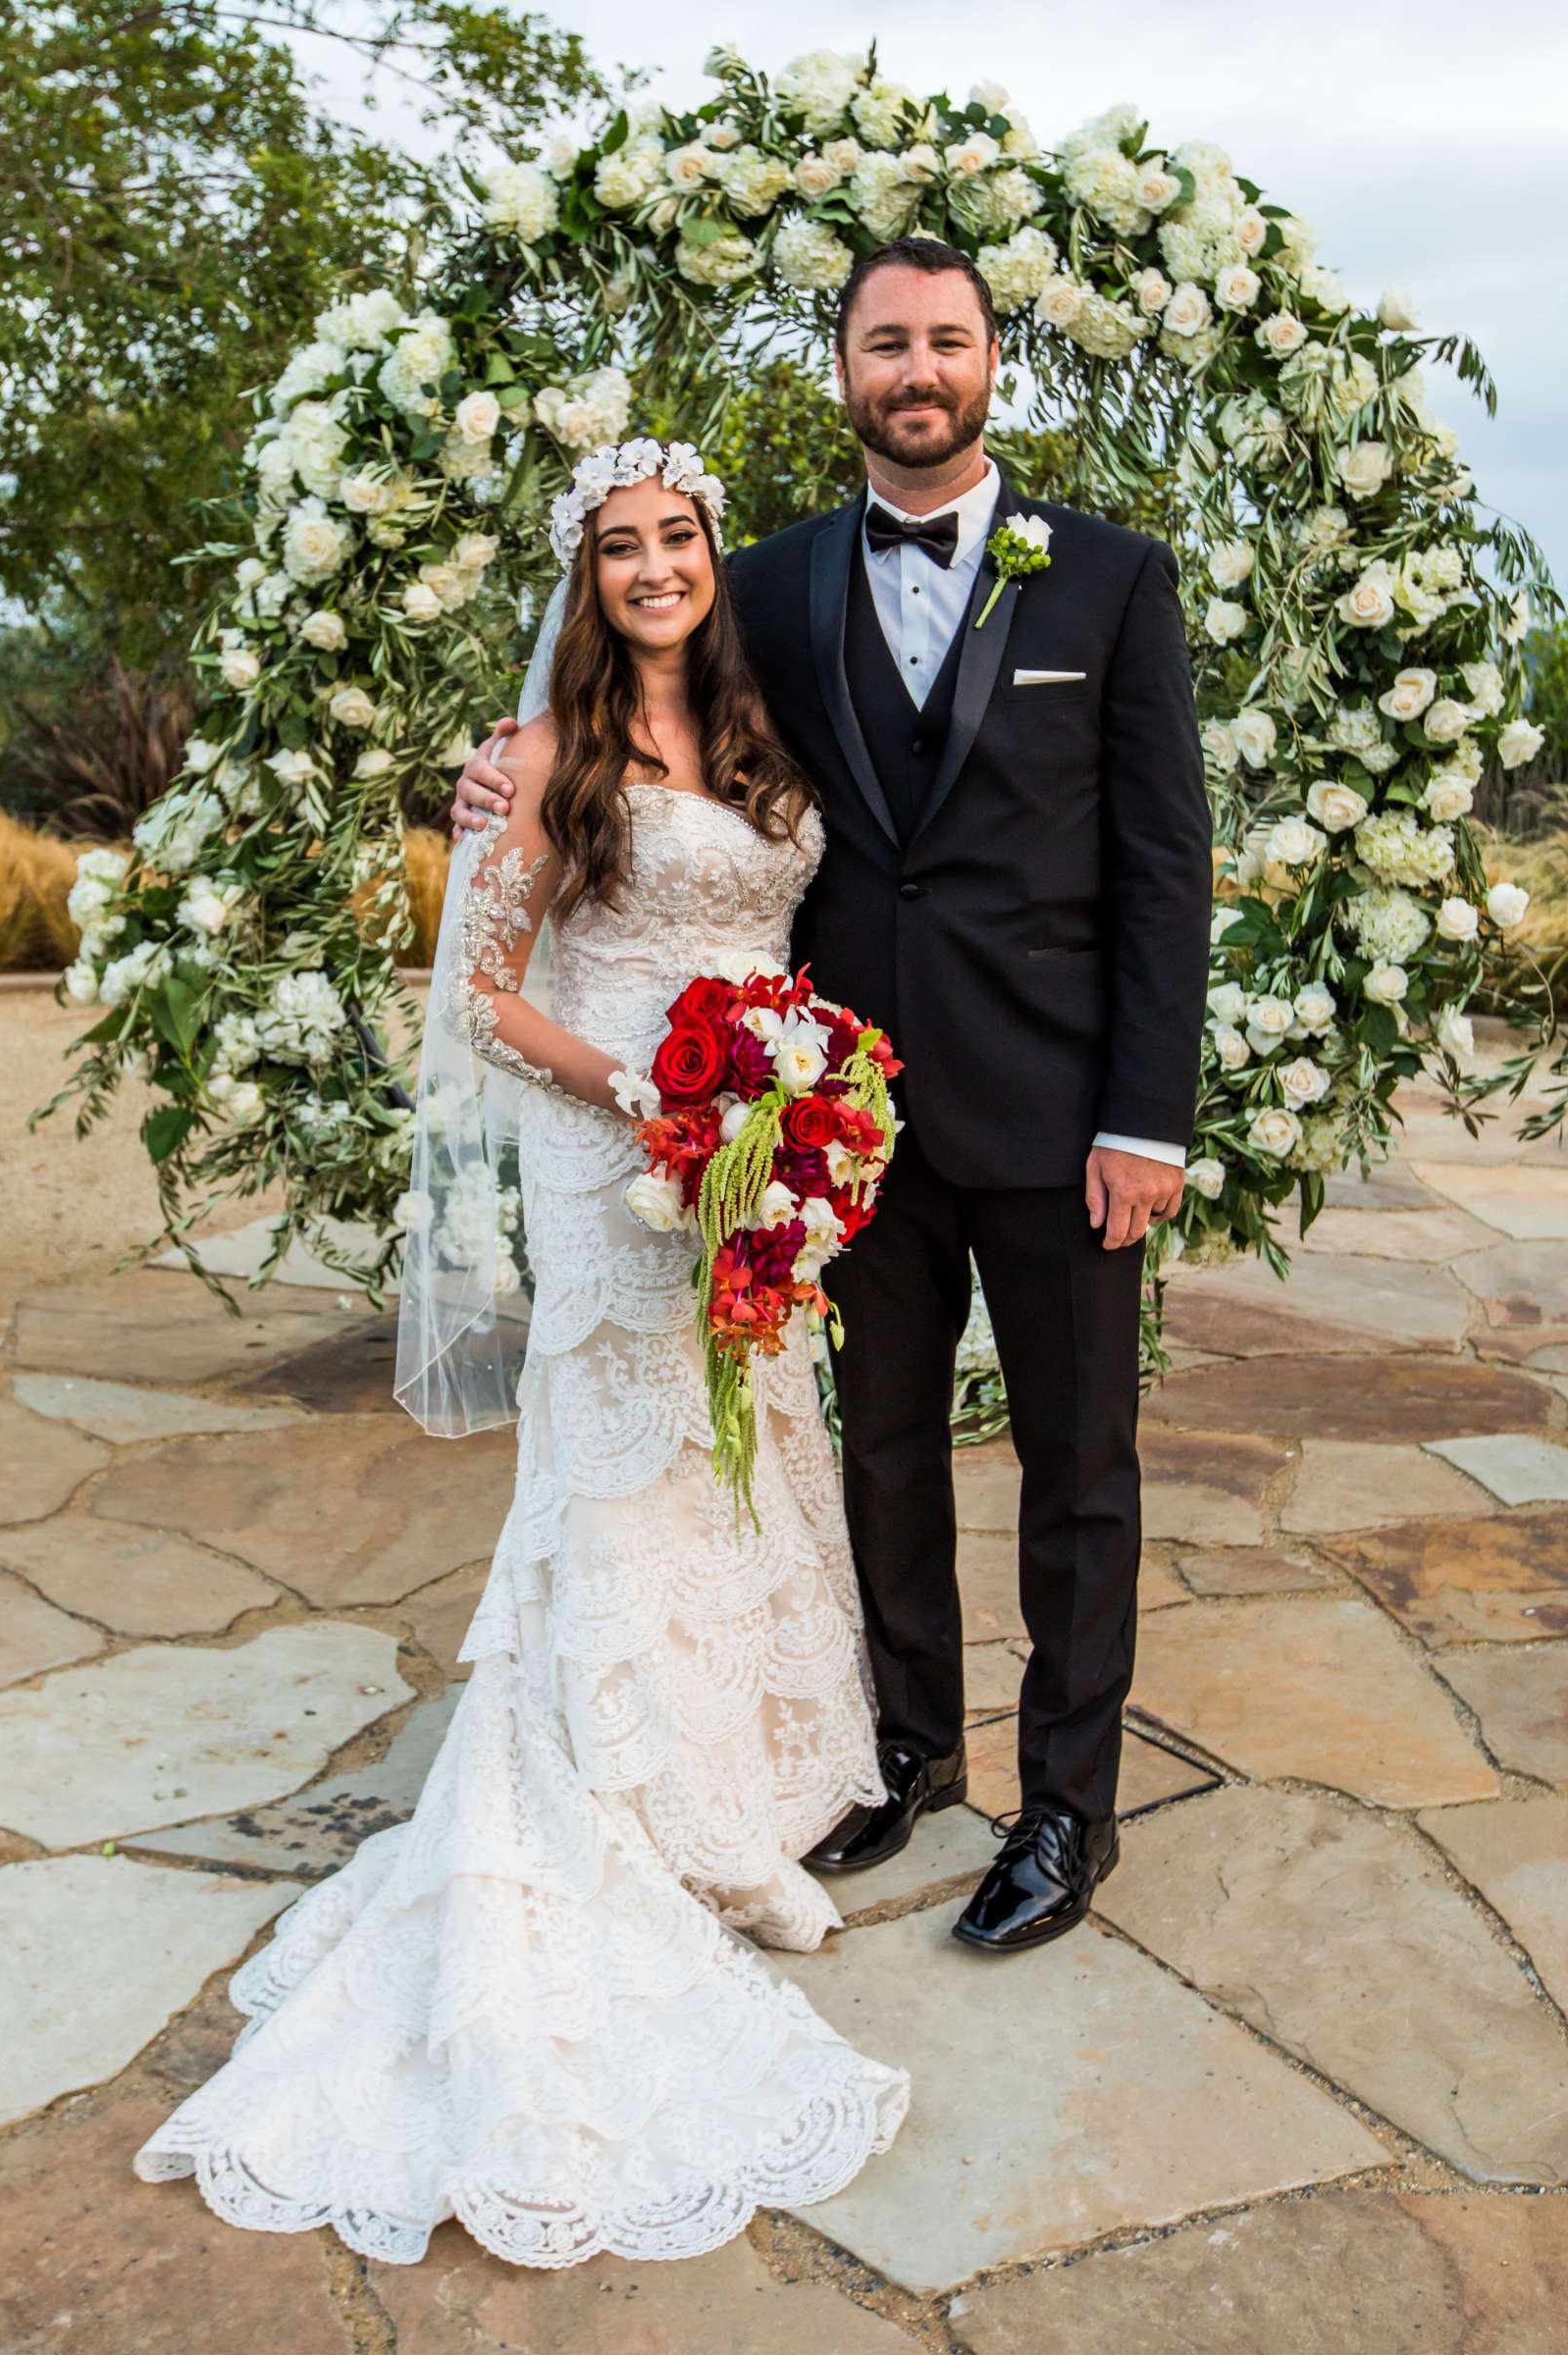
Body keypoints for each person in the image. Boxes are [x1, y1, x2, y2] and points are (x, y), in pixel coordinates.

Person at [131, 438, 910, 2268]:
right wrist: (639, 1092)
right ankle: (647, 1825)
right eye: (621, 548)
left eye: (678, 539)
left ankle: (738, 1800)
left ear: (716, 554)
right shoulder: (547, 760)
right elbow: (478, 991)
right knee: (626, 1467)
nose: (655, 568)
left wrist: (778, 1117)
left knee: (746, 1448)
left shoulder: (762, 738)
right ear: (585, 576)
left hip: (745, 1153)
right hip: (611, 1158)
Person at [452, 238, 1213, 1959]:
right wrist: (499, 770)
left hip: (1059, 1114)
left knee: (1081, 1466)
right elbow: (635, 718)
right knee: (878, 1449)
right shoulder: (775, 584)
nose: (918, 367)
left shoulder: (1108, 581)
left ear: (994, 362)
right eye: (888, 342)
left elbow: (1166, 868)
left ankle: (1069, 1808)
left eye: (947, 339)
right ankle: (914, 1748)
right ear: (847, 368)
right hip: (833, 1136)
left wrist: (1145, 1120)